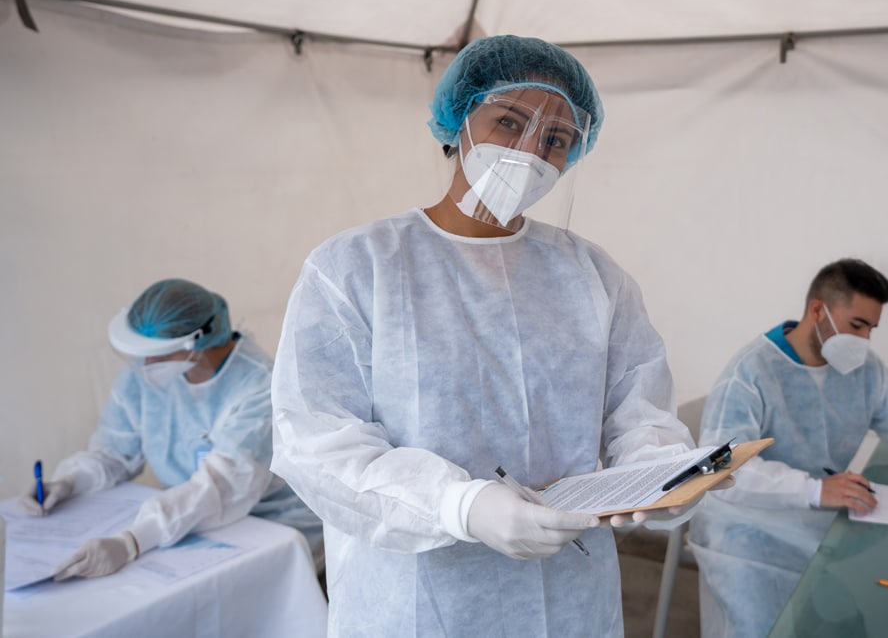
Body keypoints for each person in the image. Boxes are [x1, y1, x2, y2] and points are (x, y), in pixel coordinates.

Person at [270, 34, 702, 637]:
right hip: (417, 601)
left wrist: (665, 475)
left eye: (556, 139)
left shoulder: (593, 276)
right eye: (509, 122)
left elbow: (638, 410)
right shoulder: (356, 267)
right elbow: (316, 442)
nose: (531, 150)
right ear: (458, 121)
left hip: (568, 597)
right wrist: (460, 505)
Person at [688, 258, 888, 638]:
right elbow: (726, 466)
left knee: (852, 615)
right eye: (857, 325)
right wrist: (814, 490)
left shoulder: (863, 369)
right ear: (817, 309)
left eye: (872, 328)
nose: (865, 340)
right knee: (762, 628)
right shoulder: (751, 372)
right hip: (744, 532)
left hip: (818, 517)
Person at [22, 278, 323, 581]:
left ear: (197, 341)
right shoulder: (148, 375)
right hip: (188, 516)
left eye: (161, 354)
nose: (148, 363)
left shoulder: (258, 386)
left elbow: (222, 485)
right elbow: (114, 452)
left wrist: (133, 541)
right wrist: (71, 481)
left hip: (272, 523)